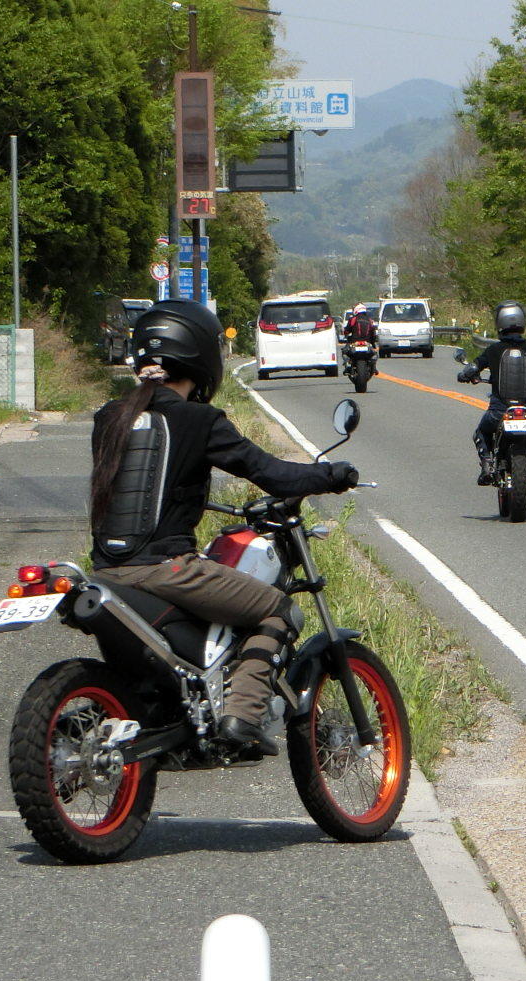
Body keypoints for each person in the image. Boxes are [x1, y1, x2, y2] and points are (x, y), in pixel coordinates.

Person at [89, 299, 356, 759]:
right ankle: (241, 718)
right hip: (165, 568)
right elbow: (273, 475)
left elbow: (153, 481)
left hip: (105, 571)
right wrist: (332, 476)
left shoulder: (109, 418)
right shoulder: (200, 420)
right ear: (200, 355)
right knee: (278, 611)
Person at [460, 300, 526, 484]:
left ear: (500, 322)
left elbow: (473, 367)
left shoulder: (493, 350)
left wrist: (465, 374)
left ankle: (487, 463)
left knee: (481, 432)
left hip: (499, 411)